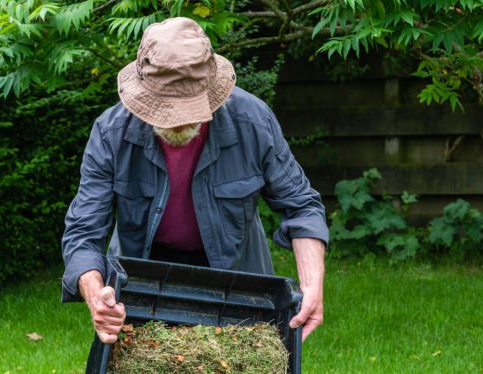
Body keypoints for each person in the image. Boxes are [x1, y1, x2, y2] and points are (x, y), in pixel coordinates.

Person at [61, 17, 328, 344]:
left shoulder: (252, 122)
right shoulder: (111, 133)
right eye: (165, 111)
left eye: (186, 110)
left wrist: (312, 286)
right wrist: (95, 294)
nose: (176, 122)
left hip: (238, 280)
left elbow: (301, 206)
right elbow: (83, 230)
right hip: (141, 281)